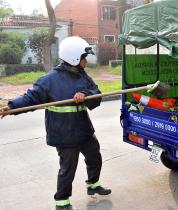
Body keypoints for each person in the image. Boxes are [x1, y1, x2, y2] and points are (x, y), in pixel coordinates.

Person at [0, 36, 111, 210]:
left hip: (83, 130)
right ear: (75, 58)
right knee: (68, 169)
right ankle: (62, 202)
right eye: (84, 57)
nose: (86, 61)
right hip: (64, 133)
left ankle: (93, 184)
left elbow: (96, 94)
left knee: (95, 157)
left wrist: (85, 94)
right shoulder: (50, 80)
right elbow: (31, 98)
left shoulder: (82, 76)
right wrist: (11, 107)